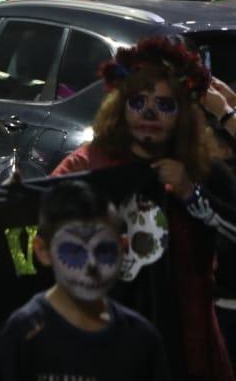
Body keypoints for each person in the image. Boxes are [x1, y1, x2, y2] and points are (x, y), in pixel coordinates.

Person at [53, 37, 236, 381]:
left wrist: (191, 194)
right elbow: (39, 224)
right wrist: (17, 200)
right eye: (139, 102)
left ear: (182, 113)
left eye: (164, 105)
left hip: (186, 341)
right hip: (107, 344)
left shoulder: (203, 170)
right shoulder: (87, 164)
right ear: (120, 107)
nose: (150, 114)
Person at [0, 179, 169, 381]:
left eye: (103, 249)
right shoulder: (22, 335)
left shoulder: (141, 339)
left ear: (123, 248)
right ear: (43, 251)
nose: (91, 264)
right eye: (74, 251)